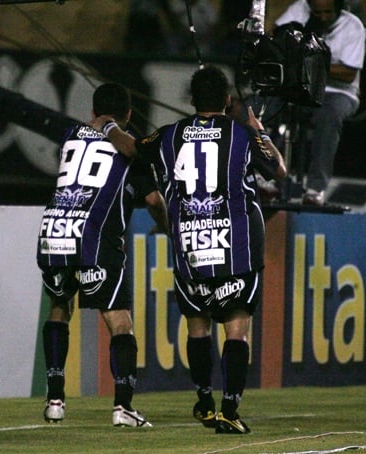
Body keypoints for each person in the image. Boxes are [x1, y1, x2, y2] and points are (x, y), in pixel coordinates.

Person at [91, 66, 286, 434]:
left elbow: (133, 149)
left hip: (191, 243)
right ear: (227, 101)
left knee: (197, 327)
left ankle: (204, 399)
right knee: (236, 328)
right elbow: (278, 169)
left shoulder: (170, 135)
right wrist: (255, 124)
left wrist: (108, 128)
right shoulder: (241, 133)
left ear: (192, 101)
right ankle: (230, 409)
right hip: (236, 244)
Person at [36, 83, 169, 427]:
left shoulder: (70, 135)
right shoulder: (129, 151)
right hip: (96, 238)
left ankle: (54, 400)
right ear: (127, 115)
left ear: (92, 112)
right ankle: (123, 406)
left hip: (56, 232)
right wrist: (167, 226)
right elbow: (154, 201)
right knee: (119, 320)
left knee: (59, 309)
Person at [274, 0, 365, 206]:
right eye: (318, 12)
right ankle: (268, 178)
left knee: (329, 115)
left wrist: (310, 62)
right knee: (268, 105)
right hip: (300, 89)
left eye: (328, 12)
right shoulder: (298, 10)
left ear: (339, 9)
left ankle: (315, 188)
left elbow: (349, 74)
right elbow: (276, 36)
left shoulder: (353, 26)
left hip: (338, 93)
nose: (323, 17)